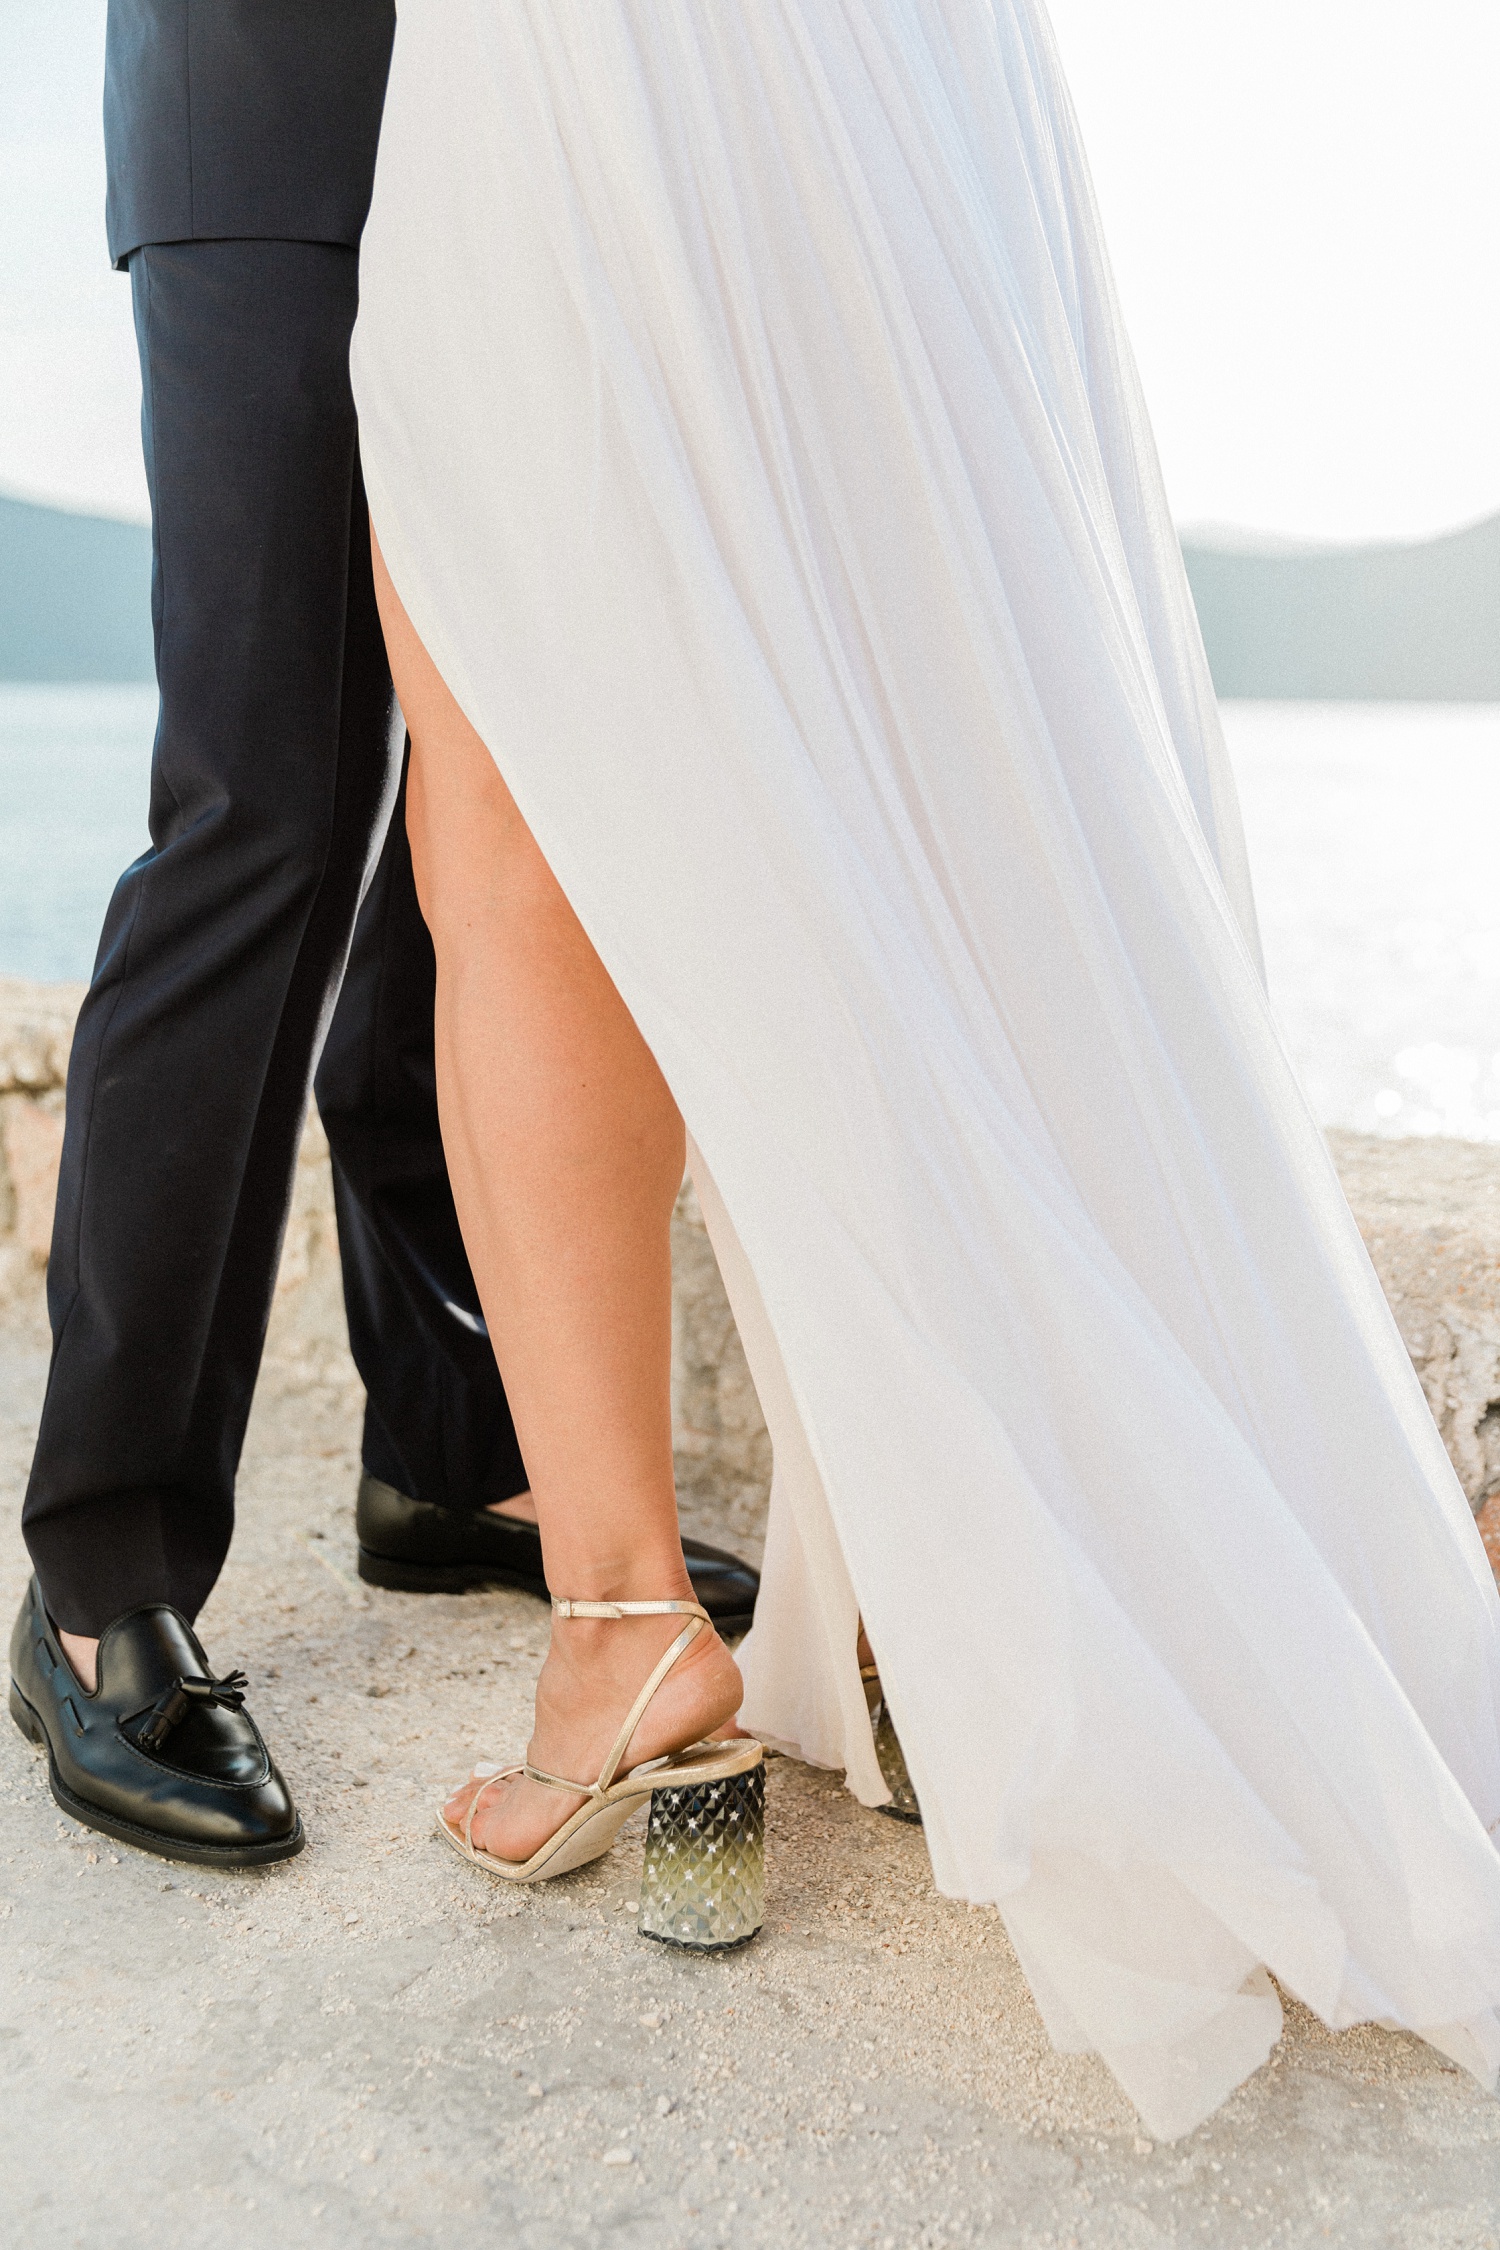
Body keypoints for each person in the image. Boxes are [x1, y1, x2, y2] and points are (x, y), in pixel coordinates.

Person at [348, 0, 1500, 2140]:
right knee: (939, 717)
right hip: (902, 63)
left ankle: (627, 1623)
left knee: (515, 775)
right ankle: (977, 1565)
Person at [8, 0, 757, 1875]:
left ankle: (440, 1437)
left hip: (523, 118)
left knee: (501, 786)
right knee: (267, 799)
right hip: (269, 97)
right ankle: (98, 1571)